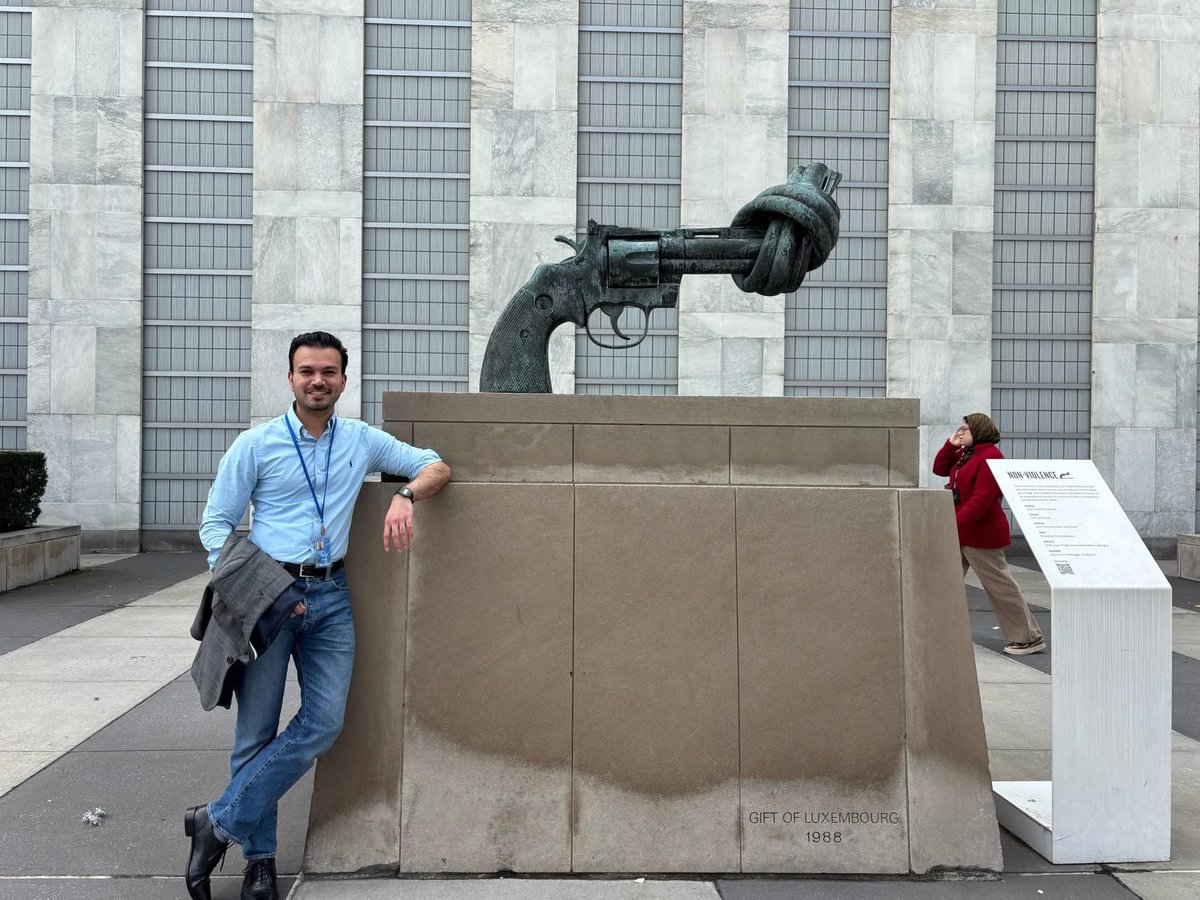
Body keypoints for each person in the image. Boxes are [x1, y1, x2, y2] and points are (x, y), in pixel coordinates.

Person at [185, 331, 451, 900]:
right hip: (266, 597)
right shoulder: (256, 446)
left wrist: (406, 497)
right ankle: (260, 861)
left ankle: (216, 821)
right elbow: (215, 525)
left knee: (324, 722)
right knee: (255, 731)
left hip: (330, 597)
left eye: (329, 372)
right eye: (307, 371)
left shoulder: (359, 441)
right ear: (290, 379)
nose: (318, 381)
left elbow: (434, 465)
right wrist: (244, 584)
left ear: (343, 381)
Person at [933, 412, 1045, 656]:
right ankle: (934, 635)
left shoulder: (991, 457)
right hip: (961, 532)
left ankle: (1028, 638)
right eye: (959, 428)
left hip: (981, 535)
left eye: (965, 429)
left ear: (979, 431)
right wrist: (950, 445)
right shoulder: (966, 454)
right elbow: (939, 468)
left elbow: (981, 501)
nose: (960, 432)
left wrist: (951, 524)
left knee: (1001, 588)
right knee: (940, 582)